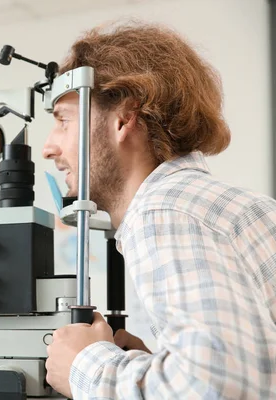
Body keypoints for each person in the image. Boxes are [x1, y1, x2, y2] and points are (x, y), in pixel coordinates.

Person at [43, 22, 276, 399]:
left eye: (63, 121)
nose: (48, 148)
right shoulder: (217, 206)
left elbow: (213, 388)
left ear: (124, 117)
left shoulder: (166, 211)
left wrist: (86, 366)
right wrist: (152, 366)